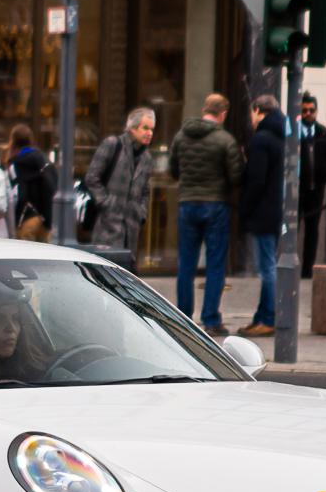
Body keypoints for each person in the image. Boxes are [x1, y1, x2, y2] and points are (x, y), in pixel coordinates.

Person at [171, 92, 242, 335]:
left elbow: (173, 170)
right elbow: (236, 177)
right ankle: (211, 320)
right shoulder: (225, 140)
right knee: (215, 265)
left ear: (204, 110)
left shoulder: (181, 136)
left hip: (187, 204)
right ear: (223, 114)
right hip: (216, 206)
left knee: (186, 265)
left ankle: (182, 317)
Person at [237, 94, 286, 338]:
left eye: (252, 113)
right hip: (276, 210)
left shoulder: (261, 139)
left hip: (262, 212)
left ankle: (268, 318)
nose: (251, 118)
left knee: (267, 268)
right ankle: (262, 316)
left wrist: (244, 210)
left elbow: (256, 179)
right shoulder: (282, 136)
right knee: (269, 265)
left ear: (258, 110)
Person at [83, 107, 157, 257]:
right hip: (107, 223)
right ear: (132, 128)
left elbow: (145, 190)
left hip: (131, 229)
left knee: (125, 272)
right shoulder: (113, 145)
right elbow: (92, 177)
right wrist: (105, 202)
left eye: (152, 129)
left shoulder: (146, 157)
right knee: (104, 270)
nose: (149, 133)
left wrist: (141, 212)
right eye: (145, 128)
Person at [295, 92, 326, 277]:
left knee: (312, 231)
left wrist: (323, 177)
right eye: (305, 110)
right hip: (296, 191)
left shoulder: (323, 133)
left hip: (315, 190)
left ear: (316, 111)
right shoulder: (292, 133)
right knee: (292, 229)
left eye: (311, 110)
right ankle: (291, 268)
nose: (308, 114)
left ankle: (307, 270)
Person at [4, 123, 55, 243]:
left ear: (13, 139)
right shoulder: (43, 159)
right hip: (46, 220)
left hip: (26, 218)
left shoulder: (15, 163)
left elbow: (18, 194)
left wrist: (15, 220)